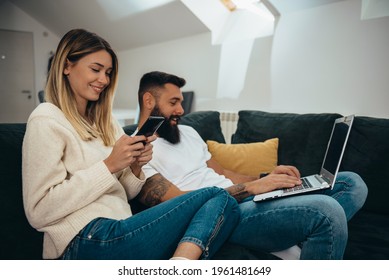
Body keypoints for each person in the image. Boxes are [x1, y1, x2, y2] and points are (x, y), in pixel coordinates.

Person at [22, 30, 239, 260]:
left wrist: (135, 165)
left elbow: (126, 191)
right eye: (95, 70)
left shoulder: (106, 123)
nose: (104, 80)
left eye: (107, 73)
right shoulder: (46, 118)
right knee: (216, 196)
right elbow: (39, 210)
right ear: (67, 66)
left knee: (221, 199)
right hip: (83, 239)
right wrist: (109, 165)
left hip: (123, 227)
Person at [134, 71, 368, 260]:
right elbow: (181, 205)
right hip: (223, 214)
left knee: (351, 183)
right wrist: (253, 189)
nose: (181, 110)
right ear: (149, 100)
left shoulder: (188, 132)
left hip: (244, 197)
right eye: (173, 102)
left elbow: (223, 173)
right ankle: (305, 231)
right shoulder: (137, 153)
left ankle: (299, 234)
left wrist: (267, 177)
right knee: (327, 210)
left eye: (181, 102)